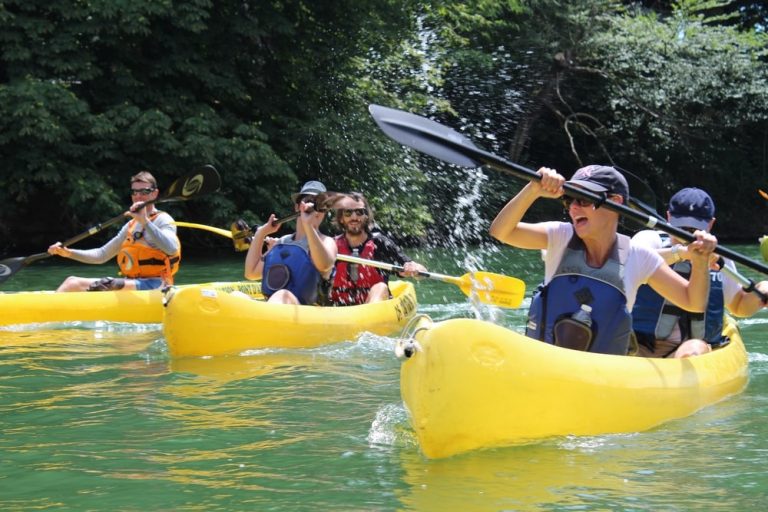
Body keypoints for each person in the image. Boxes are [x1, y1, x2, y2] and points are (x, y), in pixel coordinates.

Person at [489, 165, 718, 356]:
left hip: (601, 374)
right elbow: (501, 232)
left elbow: (692, 302)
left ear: (615, 202)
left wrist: (700, 260)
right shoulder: (560, 235)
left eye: (583, 199)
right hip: (546, 362)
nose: (574, 207)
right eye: (569, 200)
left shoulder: (638, 256)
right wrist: (533, 190)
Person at [632, 187, 768, 357]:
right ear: (668, 218)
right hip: (642, 345)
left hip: (693, 351)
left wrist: (762, 290)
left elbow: (739, 306)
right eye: (681, 227)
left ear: (710, 224)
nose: (687, 234)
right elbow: (636, 260)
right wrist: (682, 253)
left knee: (694, 348)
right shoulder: (649, 239)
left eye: (694, 229)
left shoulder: (719, 257)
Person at [47, 171, 181, 292]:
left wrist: (145, 221)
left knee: (106, 284)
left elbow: (171, 248)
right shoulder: (131, 225)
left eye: (144, 192)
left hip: (157, 285)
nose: (138, 196)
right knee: (72, 282)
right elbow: (102, 255)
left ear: (155, 193)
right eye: (134, 192)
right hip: (132, 282)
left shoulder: (163, 219)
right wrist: (68, 253)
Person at [244, 180, 337, 305]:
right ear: (297, 207)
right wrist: (261, 233)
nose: (314, 207)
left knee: (282, 295)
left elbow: (324, 265)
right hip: (274, 309)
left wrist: (308, 225)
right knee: (237, 296)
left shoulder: (327, 242)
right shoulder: (281, 242)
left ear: (324, 212)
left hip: (306, 313)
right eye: (309, 200)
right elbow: (251, 273)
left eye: (320, 204)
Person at [328, 192, 427, 305]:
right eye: (348, 212)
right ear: (341, 218)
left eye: (359, 212)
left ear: (366, 216)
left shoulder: (380, 244)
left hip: (373, 307)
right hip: (338, 307)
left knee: (380, 287)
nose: (354, 217)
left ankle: (366, 318)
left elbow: (421, 270)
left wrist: (414, 268)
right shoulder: (331, 245)